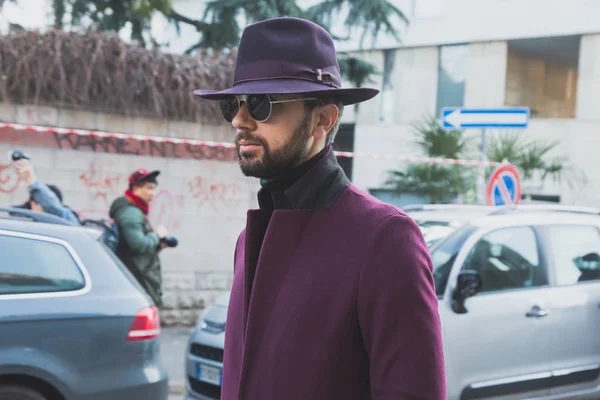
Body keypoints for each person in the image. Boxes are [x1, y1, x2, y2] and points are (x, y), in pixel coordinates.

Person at [193, 17, 445, 400]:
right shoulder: (249, 239)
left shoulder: (385, 238)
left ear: (323, 120)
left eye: (261, 105)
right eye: (233, 105)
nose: (240, 121)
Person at [109, 168, 169, 307]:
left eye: (154, 189)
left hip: (139, 275)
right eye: (149, 188)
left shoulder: (135, 210)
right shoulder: (131, 213)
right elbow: (139, 245)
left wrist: (157, 244)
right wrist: (157, 235)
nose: (153, 194)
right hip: (139, 277)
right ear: (136, 188)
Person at [12, 156, 80, 224]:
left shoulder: (66, 220)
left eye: (37, 202)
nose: (33, 206)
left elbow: (54, 207)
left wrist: (31, 180)